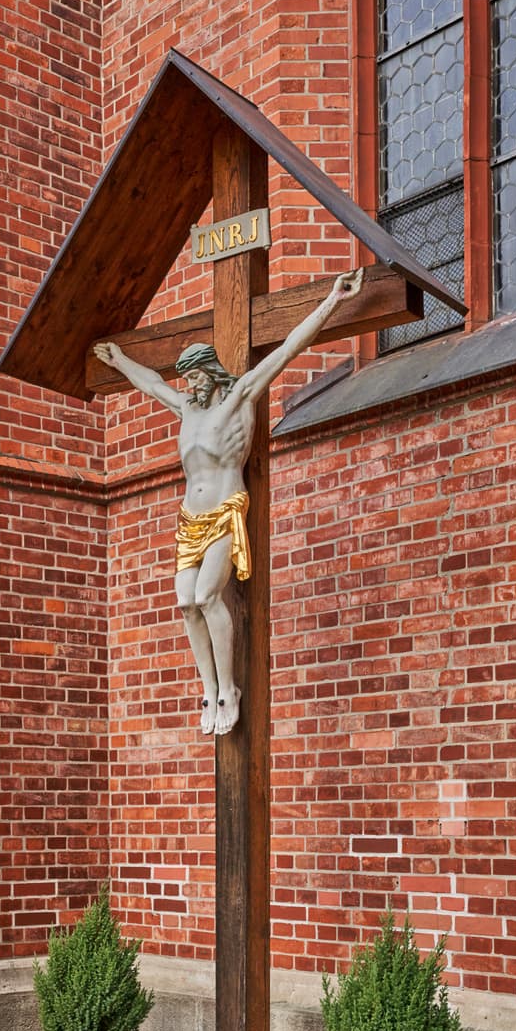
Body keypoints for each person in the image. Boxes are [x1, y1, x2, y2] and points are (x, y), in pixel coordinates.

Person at [93, 267, 366, 735]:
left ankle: (228, 690)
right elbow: (151, 386)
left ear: (212, 373)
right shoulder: (186, 408)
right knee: (184, 604)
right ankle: (208, 686)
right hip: (189, 520)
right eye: (187, 378)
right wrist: (119, 361)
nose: (191, 385)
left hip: (224, 512)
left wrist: (332, 302)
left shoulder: (238, 396)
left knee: (206, 595)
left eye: (196, 376)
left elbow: (285, 351)